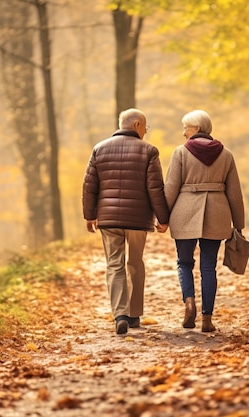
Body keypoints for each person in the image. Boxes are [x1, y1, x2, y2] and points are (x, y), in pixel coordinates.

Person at [82, 108, 170, 335]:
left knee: (114, 264)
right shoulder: (149, 151)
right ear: (137, 125)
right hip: (138, 219)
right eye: (146, 128)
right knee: (135, 263)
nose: (146, 132)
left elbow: (90, 186)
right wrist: (163, 218)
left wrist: (89, 215)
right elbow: (155, 188)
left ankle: (119, 313)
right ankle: (133, 315)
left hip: (109, 219)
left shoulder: (99, 149)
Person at [164, 110, 245, 332]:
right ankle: (207, 320)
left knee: (184, 262)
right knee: (208, 267)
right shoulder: (226, 154)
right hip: (217, 214)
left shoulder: (180, 153)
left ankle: (189, 302)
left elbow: (171, 187)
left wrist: (162, 218)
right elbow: (235, 192)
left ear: (197, 129)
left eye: (186, 128)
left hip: (185, 211)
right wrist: (238, 223)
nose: (183, 133)